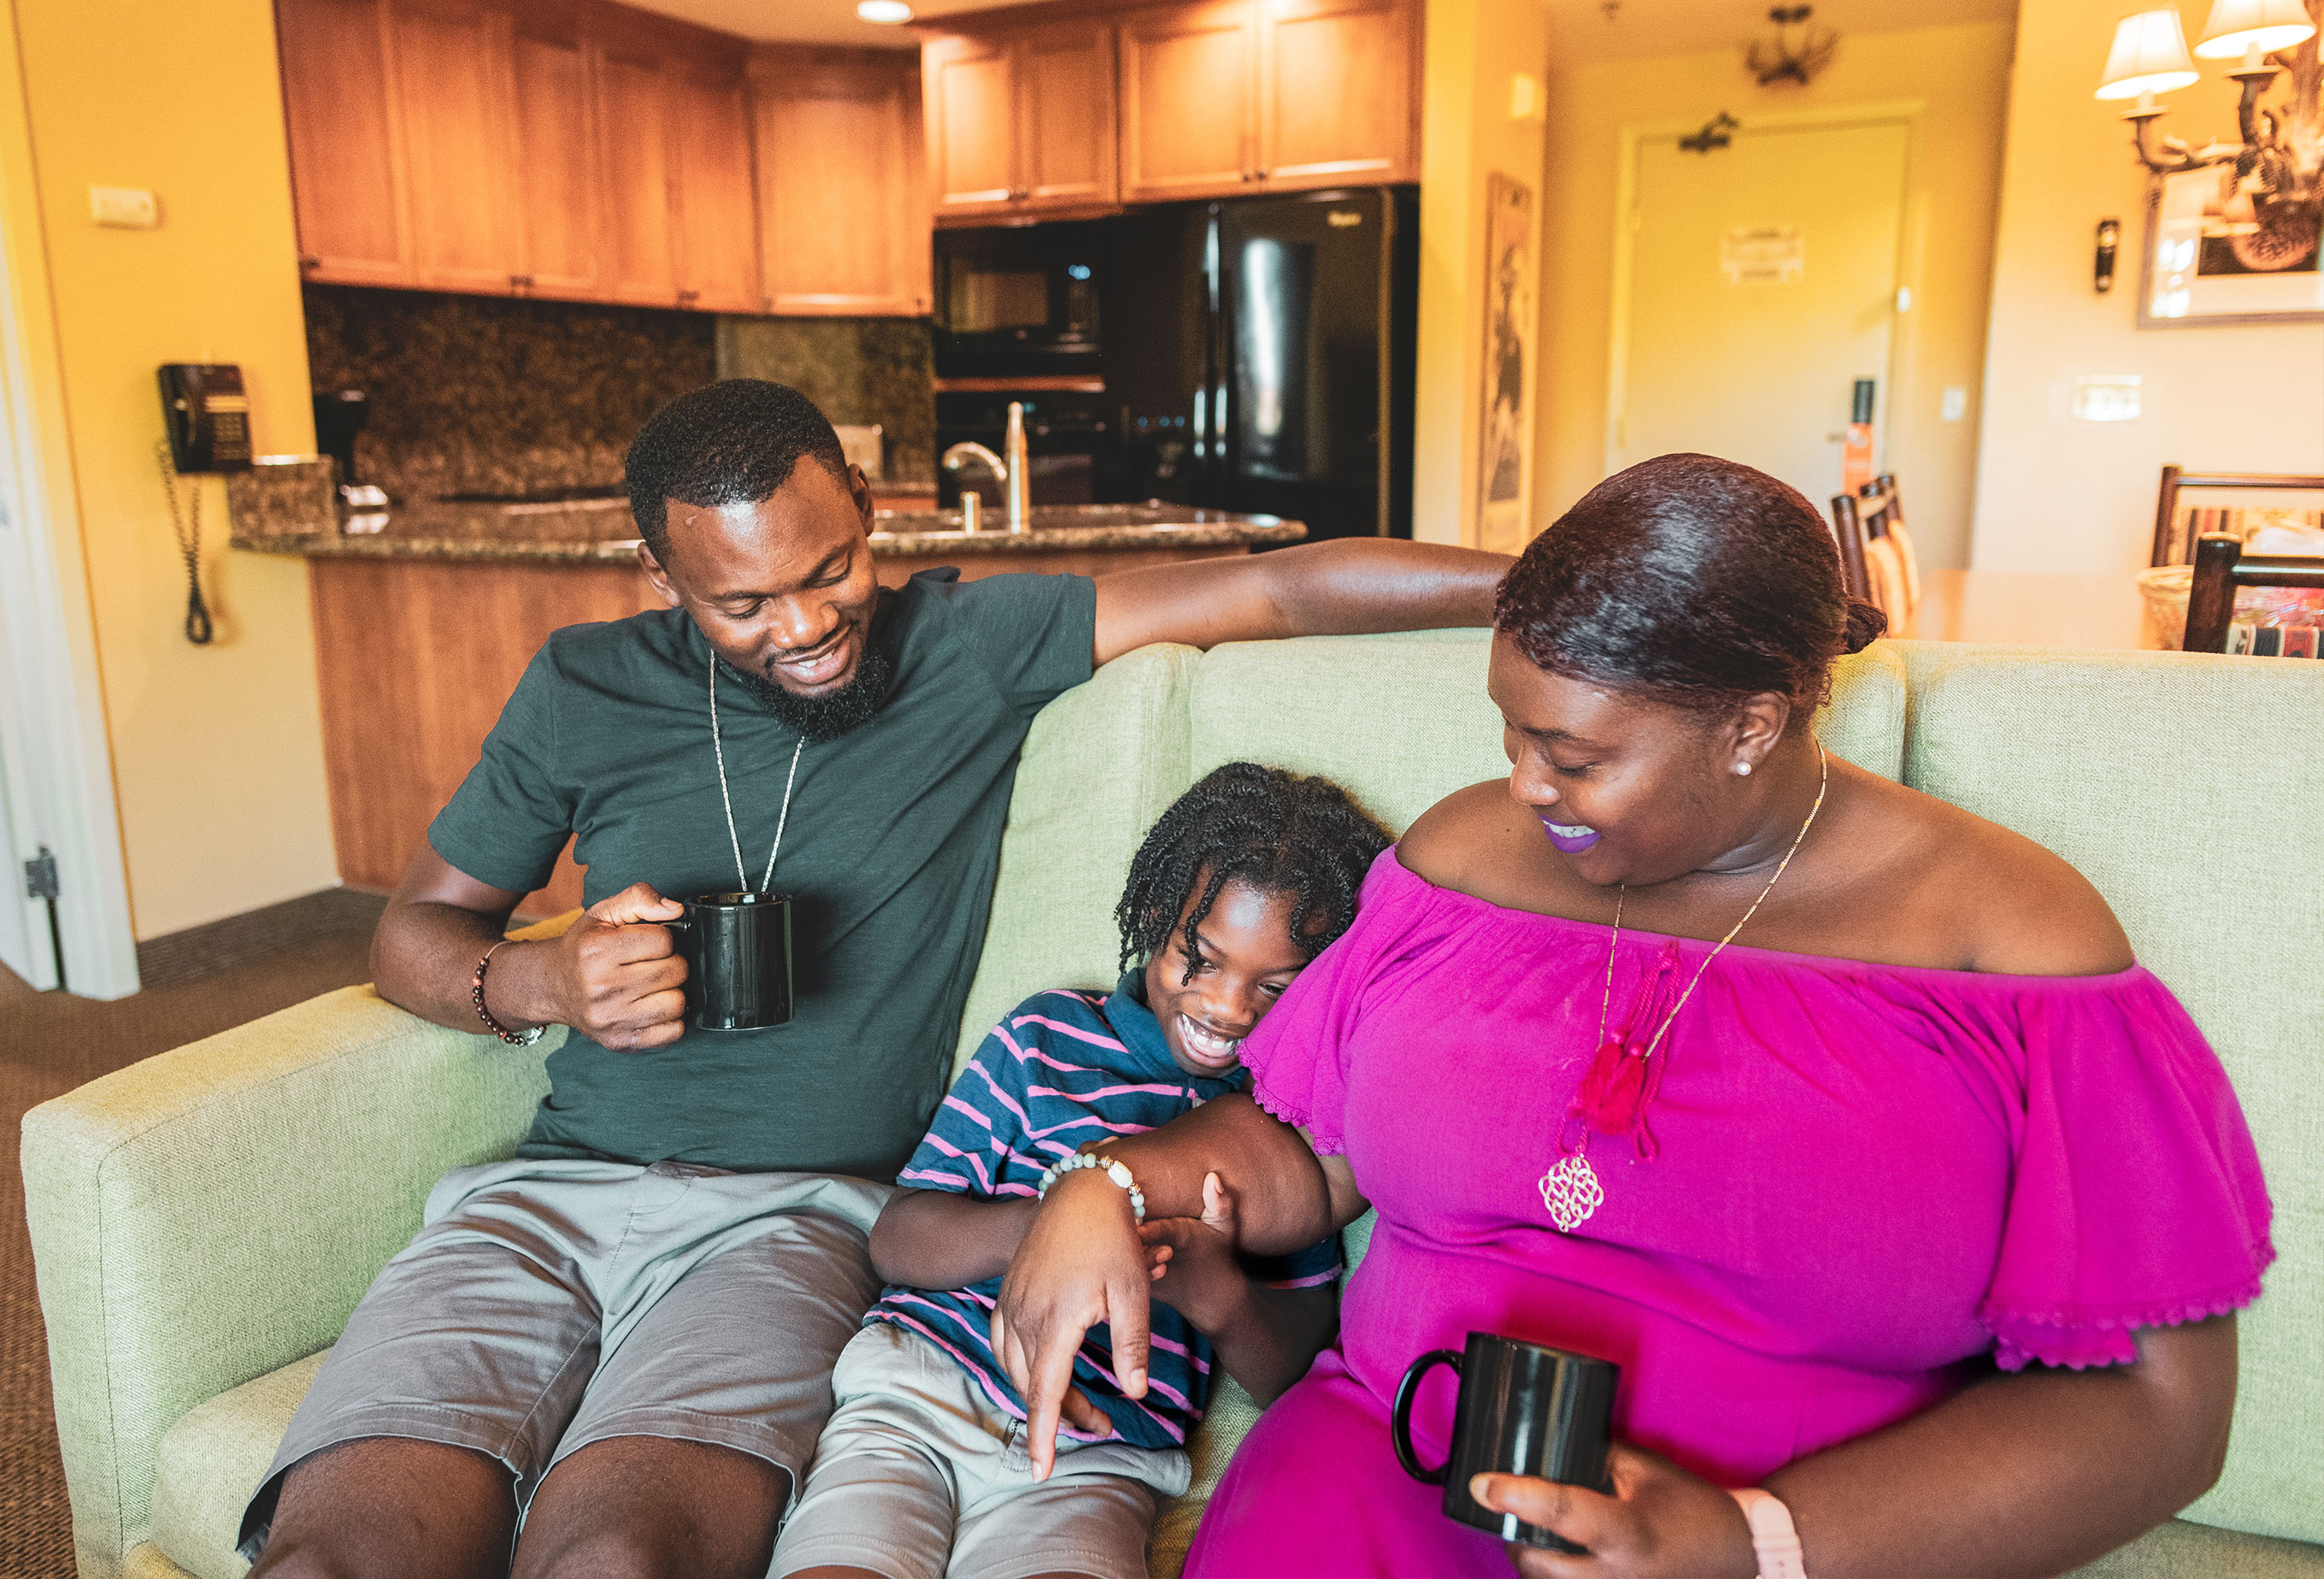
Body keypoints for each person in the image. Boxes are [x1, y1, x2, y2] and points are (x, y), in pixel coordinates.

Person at [240, 380, 1512, 1579]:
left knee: (616, 1558)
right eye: (743, 605)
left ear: (864, 500)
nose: (804, 628)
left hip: (795, 1221)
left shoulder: (970, 646)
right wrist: (543, 985)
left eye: (829, 569)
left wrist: (1546, 594)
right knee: (330, 1559)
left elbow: (1275, 593)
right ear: (661, 575)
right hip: (541, 1199)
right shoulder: (583, 687)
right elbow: (412, 931)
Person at [989, 454, 2273, 1579]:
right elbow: (1304, 1149)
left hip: (1779, 1537)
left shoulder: (2017, 950)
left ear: (1751, 727)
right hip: (1389, 1468)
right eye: (1512, 731)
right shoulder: (1457, 863)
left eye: (1578, 756)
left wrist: (1754, 1542)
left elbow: (2159, 1410)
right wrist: (1103, 1180)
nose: (1524, 781)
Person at [769, 763, 1384, 1579]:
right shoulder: (1044, 1037)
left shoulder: (1283, 1137)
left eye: (1274, 988)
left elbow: (1294, 1374)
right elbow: (898, 1239)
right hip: (920, 1392)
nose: (1228, 1010)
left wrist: (1213, 1286)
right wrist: (1061, 1228)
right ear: (1157, 918)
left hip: (1102, 1455)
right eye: (1197, 960)